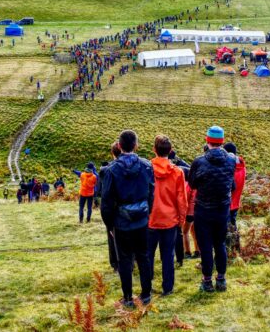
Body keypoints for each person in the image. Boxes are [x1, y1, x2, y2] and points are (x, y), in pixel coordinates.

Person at [101, 130, 155, 308]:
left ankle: (128, 297)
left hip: (121, 221)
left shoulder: (112, 170)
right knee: (144, 257)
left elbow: (107, 201)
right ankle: (146, 294)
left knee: (124, 260)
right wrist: (148, 212)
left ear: (119, 146)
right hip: (141, 219)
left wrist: (109, 224)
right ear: (136, 145)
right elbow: (151, 192)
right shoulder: (147, 166)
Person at [187, 126, 236, 293]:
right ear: (222, 141)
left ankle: (207, 281)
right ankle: (221, 280)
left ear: (207, 140)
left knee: (206, 246)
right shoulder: (231, 160)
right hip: (223, 209)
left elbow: (192, 184)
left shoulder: (199, 161)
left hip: (203, 209)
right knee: (220, 244)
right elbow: (233, 185)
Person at [147, 135, 187, 296]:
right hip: (170, 219)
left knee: (148, 255)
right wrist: (181, 220)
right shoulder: (177, 172)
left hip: (150, 218)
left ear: (154, 150)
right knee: (168, 256)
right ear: (170, 151)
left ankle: (146, 285)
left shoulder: (147, 168)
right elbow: (181, 199)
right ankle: (168, 287)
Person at [100, 141, 122, 272]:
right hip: (133, 209)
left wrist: (107, 219)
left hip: (114, 211)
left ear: (112, 153)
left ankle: (116, 263)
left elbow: (106, 196)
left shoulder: (107, 170)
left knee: (113, 238)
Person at [223, 143, 246, 228]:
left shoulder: (227, 168)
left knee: (226, 228)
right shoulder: (242, 166)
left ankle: (231, 241)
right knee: (233, 224)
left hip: (225, 202)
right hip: (236, 201)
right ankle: (235, 241)